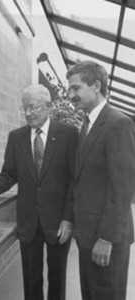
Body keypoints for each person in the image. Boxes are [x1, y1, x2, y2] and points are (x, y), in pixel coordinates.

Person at [0, 84, 78, 300]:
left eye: (34, 107)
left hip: (58, 222)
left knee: (57, 278)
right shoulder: (16, 137)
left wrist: (68, 219)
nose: (28, 113)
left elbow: (74, 181)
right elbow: (9, 174)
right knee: (31, 279)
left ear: (48, 107)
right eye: (25, 108)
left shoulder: (68, 134)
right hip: (29, 221)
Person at [67, 60, 135, 300]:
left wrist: (106, 238)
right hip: (87, 236)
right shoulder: (86, 124)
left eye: (76, 88)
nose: (70, 95)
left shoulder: (118, 123)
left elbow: (123, 188)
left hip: (106, 240)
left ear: (96, 86)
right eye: (69, 89)